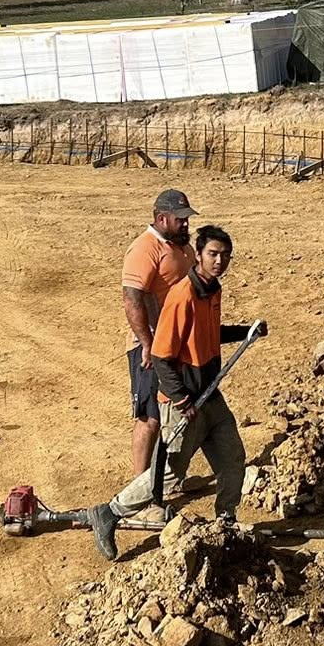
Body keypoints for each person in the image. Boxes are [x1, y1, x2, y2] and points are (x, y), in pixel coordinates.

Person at [86, 225, 264, 560]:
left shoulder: (212, 291)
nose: (220, 260)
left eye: (225, 255)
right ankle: (109, 512)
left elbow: (210, 333)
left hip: (210, 395)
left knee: (232, 459)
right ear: (198, 254)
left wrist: (246, 332)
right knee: (167, 475)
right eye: (213, 253)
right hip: (184, 401)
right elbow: (161, 356)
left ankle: (226, 521)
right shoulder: (182, 297)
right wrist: (181, 399)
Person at [122, 189, 197, 473]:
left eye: (187, 218)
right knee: (149, 417)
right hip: (152, 349)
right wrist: (147, 344)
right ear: (161, 218)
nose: (186, 224)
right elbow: (132, 299)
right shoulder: (144, 248)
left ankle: (164, 477)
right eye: (180, 219)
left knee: (175, 410)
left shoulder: (182, 247)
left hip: (178, 345)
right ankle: (138, 487)